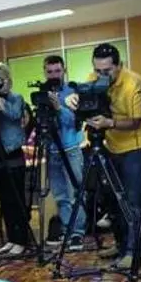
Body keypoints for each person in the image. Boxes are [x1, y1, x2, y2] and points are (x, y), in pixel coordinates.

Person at [66, 43, 141, 270]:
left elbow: (137, 121)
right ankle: (121, 244)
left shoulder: (133, 83)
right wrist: (73, 99)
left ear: (119, 65)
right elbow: (84, 99)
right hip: (109, 146)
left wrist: (109, 123)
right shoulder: (93, 78)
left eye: (107, 71)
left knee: (132, 201)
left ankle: (133, 252)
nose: (101, 75)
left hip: (135, 146)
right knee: (112, 200)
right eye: (98, 70)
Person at [0, 62, 30, 256]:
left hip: (13, 155)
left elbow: (14, 114)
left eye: (1, 80)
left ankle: (22, 240)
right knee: (5, 202)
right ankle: (12, 239)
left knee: (17, 200)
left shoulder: (16, 98)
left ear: (8, 81)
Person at [42, 55, 86, 251]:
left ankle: (77, 233)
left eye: (57, 71)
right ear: (45, 72)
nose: (54, 75)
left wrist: (58, 107)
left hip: (70, 149)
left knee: (75, 194)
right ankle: (68, 230)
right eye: (50, 71)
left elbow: (73, 122)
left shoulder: (72, 92)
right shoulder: (42, 93)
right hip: (51, 151)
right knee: (60, 196)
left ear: (64, 71)